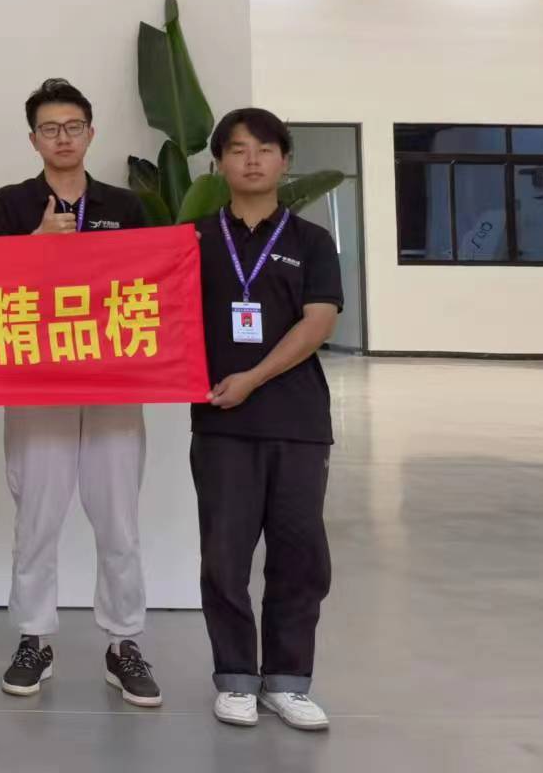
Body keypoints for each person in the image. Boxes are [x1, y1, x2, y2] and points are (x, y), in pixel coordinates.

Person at [0, 78, 162, 707]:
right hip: (38, 378)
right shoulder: (11, 203)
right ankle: (34, 637)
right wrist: (34, 247)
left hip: (112, 379)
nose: (63, 138)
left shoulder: (125, 205)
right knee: (37, 516)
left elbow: (150, 283)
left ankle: (124, 642)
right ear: (33, 139)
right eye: (50, 129)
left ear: (91, 133)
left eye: (73, 126)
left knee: (118, 519)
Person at [191, 107, 341, 732]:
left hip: (298, 421)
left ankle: (287, 681)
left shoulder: (311, 241)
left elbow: (319, 320)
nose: (251, 160)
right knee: (224, 558)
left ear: (285, 160)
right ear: (219, 163)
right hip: (221, 424)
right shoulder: (193, 240)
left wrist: (253, 377)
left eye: (264, 149)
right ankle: (234, 678)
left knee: (299, 556)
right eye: (237, 149)